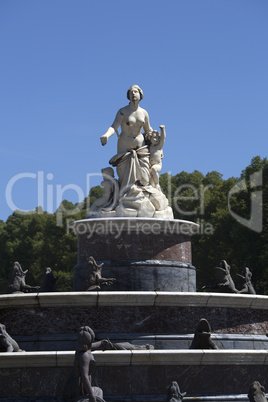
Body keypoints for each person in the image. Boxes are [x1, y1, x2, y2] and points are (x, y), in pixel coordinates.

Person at [100, 85, 152, 196]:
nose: (133, 94)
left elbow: (148, 131)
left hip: (140, 147)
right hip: (124, 146)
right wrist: (106, 135)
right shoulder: (123, 111)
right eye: (131, 92)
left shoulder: (144, 113)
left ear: (140, 95)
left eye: (136, 92)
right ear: (128, 96)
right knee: (124, 178)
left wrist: (159, 140)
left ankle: (141, 198)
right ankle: (124, 200)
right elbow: (114, 127)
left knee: (144, 179)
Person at [63, 326, 105, 402]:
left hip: (75, 383)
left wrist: (102, 343)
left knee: (98, 391)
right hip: (80, 387)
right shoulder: (85, 356)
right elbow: (84, 376)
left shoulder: (80, 349)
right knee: (98, 392)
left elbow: (92, 346)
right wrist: (92, 396)